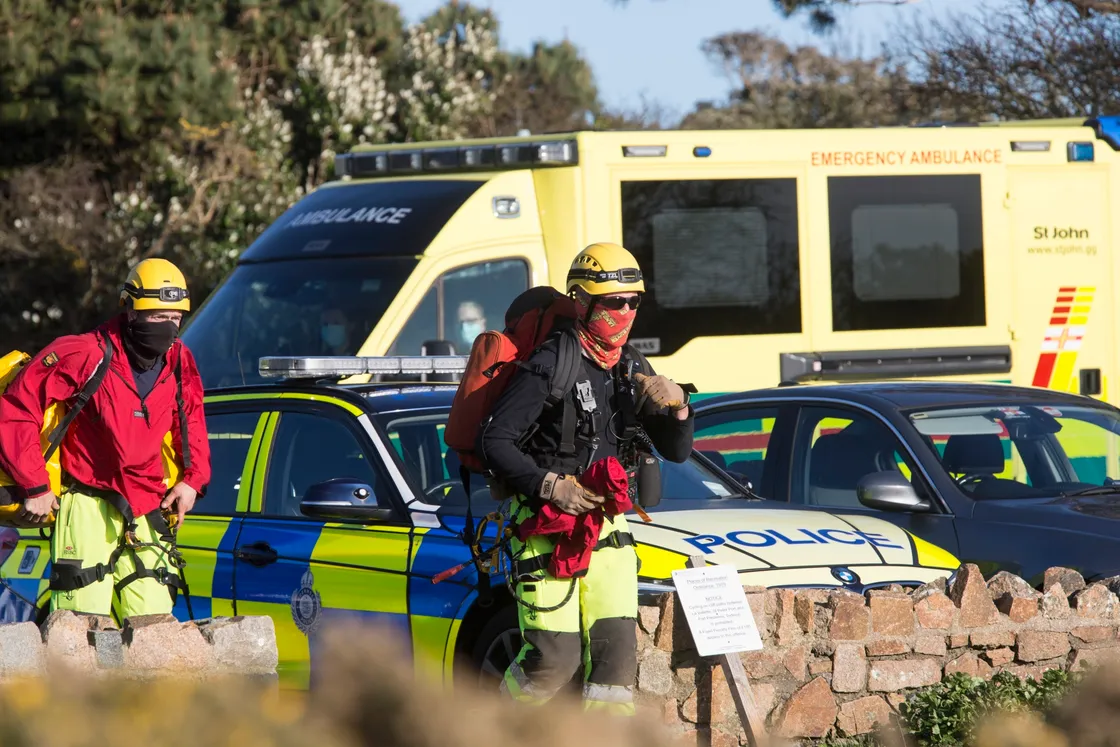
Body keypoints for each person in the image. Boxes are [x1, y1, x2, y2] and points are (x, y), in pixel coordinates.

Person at [479, 241, 694, 715]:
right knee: (552, 660)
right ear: (582, 302)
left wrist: (678, 405)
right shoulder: (551, 363)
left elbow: (676, 451)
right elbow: (494, 443)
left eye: (634, 301)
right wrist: (553, 486)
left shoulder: (632, 365)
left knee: (616, 667)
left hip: (610, 529)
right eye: (614, 302)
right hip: (544, 527)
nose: (626, 312)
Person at [0, 258, 211, 622]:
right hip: (86, 501)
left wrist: (192, 480)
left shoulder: (179, 360)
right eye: (158, 316)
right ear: (130, 311)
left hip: (148, 503)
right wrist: (34, 485)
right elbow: (18, 407)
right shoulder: (85, 353)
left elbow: (189, 417)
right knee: (80, 624)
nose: (168, 327)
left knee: (154, 625)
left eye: (175, 318)